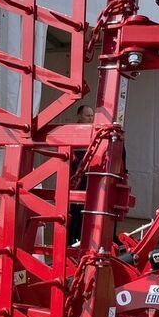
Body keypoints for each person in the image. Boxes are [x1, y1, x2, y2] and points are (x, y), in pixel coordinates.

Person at [68, 104, 95, 244]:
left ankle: (82, 238)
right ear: (79, 116)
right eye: (87, 115)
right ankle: (70, 240)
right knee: (75, 210)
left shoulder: (94, 132)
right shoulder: (73, 130)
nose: (90, 118)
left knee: (87, 209)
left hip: (89, 175)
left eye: (92, 116)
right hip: (76, 176)